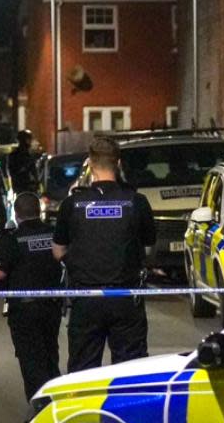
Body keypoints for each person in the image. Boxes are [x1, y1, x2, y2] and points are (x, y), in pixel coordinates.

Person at [52, 137, 155, 372]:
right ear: (118, 163)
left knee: (83, 369)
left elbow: (58, 250)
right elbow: (149, 245)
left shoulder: (72, 203)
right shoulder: (136, 201)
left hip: (85, 297)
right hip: (126, 297)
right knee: (131, 368)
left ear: (89, 164)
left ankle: (85, 409)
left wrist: (77, 263)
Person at [0, 192, 64, 400]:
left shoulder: (14, 238)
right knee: (50, 356)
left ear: (17, 213)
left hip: (25, 311)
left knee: (32, 362)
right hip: (52, 307)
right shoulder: (53, 233)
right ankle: (56, 401)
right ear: (38, 211)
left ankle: (39, 408)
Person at [6, 130, 43, 194]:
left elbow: (34, 172)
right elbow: (13, 172)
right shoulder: (14, 156)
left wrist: (37, 184)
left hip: (31, 190)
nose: (30, 142)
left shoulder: (29, 155)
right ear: (24, 140)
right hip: (21, 190)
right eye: (29, 140)